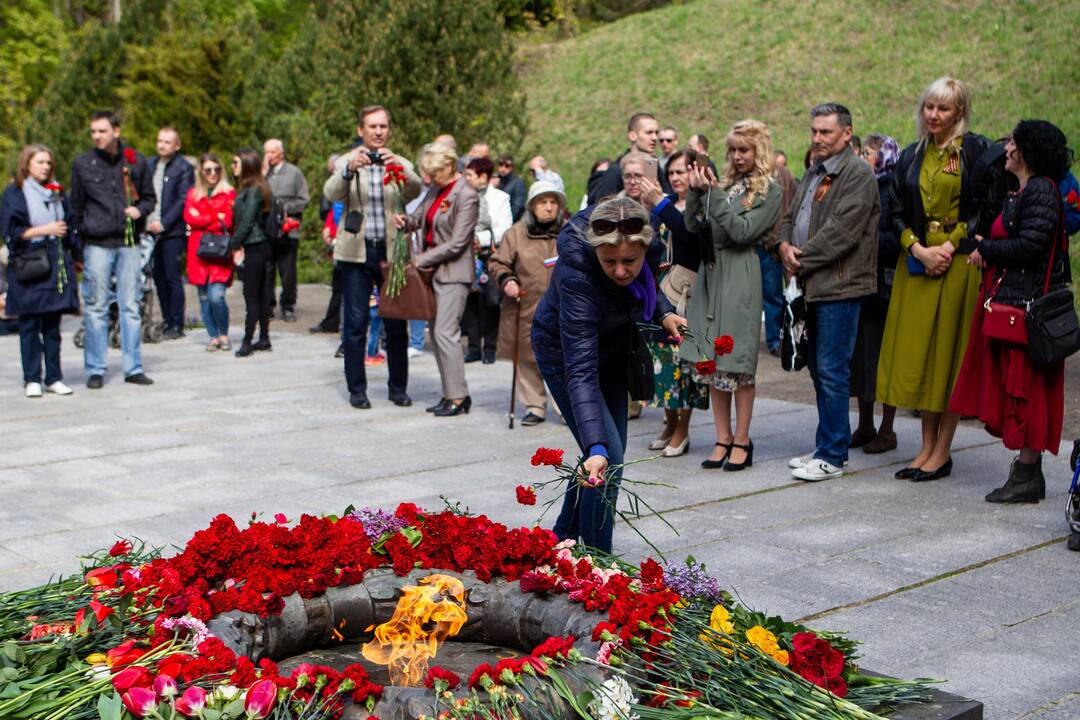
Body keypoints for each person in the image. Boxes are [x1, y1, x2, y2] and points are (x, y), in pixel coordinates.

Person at [531, 196, 685, 553]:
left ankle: (561, 539)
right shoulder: (578, 278)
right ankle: (596, 559)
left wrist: (663, 312)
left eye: (628, 260)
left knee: (603, 459)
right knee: (607, 458)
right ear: (594, 249)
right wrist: (595, 445)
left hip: (613, 348)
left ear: (645, 246)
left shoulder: (644, 248)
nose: (619, 271)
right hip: (566, 355)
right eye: (609, 261)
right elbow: (580, 371)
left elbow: (644, 279)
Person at [951, 120, 1073, 505]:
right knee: (1020, 389)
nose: (1005, 148)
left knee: (1026, 391)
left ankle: (1026, 474)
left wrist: (987, 250)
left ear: (1027, 151)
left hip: (1025, 309)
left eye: (1013, 143)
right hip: (1014, 305)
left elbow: (1031, 246)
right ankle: (1025, 474)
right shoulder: (1027, 190)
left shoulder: (1040, 190)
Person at [876, 77, 990, 482]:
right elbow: (893, 212)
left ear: (960, 112)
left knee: (947, 357)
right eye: (929, 107)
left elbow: (983, 208)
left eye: (943, 109)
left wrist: (950, 246)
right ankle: (925, 447)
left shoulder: (974, 151)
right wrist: (917, 248)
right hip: (919, 265)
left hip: (957, 266)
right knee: (920, 357)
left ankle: (942, 451)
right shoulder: (911, 154)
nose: (934, 115)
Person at [775, 103, 880, 481]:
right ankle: (827, 445)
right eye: (814, 131)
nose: (817, 139)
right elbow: (789, 217)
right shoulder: (814, 171)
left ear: (847, 133)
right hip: (811, 284)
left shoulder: (858, 174)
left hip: (840, 286)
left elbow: (843, 233)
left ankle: (834, 455)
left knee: (833, 370)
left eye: (826, 132)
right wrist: (784, 246)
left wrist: (798, 258)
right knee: (819, 369)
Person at [680, 121, 783, 470]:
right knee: (712, 360)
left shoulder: (770, 189)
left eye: (745, 150)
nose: (738, 157)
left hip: (740, 274)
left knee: (737, 363)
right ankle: (722, 437)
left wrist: (714, 194)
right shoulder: (727, 184)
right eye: (734, 150)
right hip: (712, 273)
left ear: (759, 151)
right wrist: (697, 192)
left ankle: (742, 439)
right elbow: (694, 226)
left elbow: (742, 231)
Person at [324, 105, 422, 409]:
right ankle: (357, 389)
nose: (378, 132)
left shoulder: (399, 162)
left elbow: (416, 189)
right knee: (355, 322)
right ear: (361, 131)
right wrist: (349, 170)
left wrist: (402, 169)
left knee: (395, 321)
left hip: (392, 253)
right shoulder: (347, 161)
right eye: (372, 127)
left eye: (383, 126)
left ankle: (398, 388)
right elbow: (331, 193)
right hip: (357, 253)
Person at [69, 110, 155, 389]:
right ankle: (95, 367)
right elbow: (76, 207)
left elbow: (150, 198)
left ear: (116, 131)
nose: (97, 136)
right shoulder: (83, 164)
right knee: (96, 307)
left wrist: (139, 210)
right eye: (93, 131)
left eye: (102, 131)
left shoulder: (136, 160)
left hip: (129, 243)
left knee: (131, 306)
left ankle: (133, 367)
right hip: (97, 244)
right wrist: (78, 247)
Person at [393, 142, 479, 416]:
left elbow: (457, 243)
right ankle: (449, 393)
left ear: (450, 166)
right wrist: (407, 221)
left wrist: (419, 261)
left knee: (445, 333)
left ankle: (458, 396)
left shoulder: (466, 195)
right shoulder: (436, 189)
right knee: (437, 333)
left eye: (435, 172)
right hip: (433, 272)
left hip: (454, 272)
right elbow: (420, 217)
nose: (430, 178)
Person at [636, 150, 710, 454]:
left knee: (684, 361)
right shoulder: (658, 206)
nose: (678, 177)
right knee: (660, 362)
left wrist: (662, 206)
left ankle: (683, 428)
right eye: (674, 172)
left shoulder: (701, 206)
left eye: (684, 171)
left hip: (689, 292)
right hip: (659, 289)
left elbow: (691, 240)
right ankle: (669, 421)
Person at [1, 145, 80, 397]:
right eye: (39, 162)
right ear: (27, 164)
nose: (45, 167)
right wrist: (45, 229)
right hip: (30, 265)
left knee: (52, 326)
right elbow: (11, 233)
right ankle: (32, 377)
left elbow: (70, 224)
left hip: (55, 265)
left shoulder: (56, 192)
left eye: (48, 162)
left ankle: (54, 376)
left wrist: (77, 255)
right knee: (29, 326)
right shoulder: (16, 192)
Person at [489, 180, 568, 426]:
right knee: (526, 355)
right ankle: (535, 406)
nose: (548, 208)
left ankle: (566, 407)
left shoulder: (569, 231)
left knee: (564, 356)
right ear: (532, 206)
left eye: (553, 202)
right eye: (543, 202)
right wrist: (508, 281)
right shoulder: (516, 233)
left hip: (562, 306)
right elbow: (497, 262)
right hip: (525, 304)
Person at [850, 135, 902, 453]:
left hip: (885, 288)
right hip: (861, 287)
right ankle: (865, 424)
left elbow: (895, 237)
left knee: (884, 359)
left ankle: (887, 428)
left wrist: (864, 240)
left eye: (868, 153)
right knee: (860, 358)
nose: (864, 158)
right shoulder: (860, 186)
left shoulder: (891, 190)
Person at [462, 157, 513, 364]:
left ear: (482, 176)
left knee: (491, 301)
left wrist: (479, 239)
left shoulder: (500, 198)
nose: (466, 179)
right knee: (470, 301)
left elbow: (505, 228)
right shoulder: (463, 195)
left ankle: (491, 347)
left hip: (490, 255)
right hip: (466, 254)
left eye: (469, 175)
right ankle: (473, 347)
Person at [183, 153, 236, 352]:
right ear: (201, 172)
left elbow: (228, 221)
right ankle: (213, 336)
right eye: (208, 170)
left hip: (220, 252)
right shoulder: (192, 193)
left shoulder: (229, 192)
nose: (213, 174)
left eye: (217, 169)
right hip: (198, 252)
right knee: (204, 297)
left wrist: (204, 215)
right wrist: (216, 215)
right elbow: (189, 218)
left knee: (217, 296)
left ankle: (224, 333)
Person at [146, 127, 194, 339]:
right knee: (158, 277)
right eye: (160, 141)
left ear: (177, 145)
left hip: (172, 232)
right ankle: (167, 319)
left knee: (172, 276)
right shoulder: (150, 165)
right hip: (149, 230)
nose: (162, 145)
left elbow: (183, 199)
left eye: (167, 142)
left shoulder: (183, 168)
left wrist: (164, 223)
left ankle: (177, 323)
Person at [230, 149, 275, 357]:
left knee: (253, 296)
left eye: (236, 163)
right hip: (256, 245)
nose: (233, 166)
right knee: (261, 295)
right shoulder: (251, 189)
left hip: (256, 246)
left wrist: (232, 244)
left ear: (247, 165)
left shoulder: (254, 190)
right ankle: (263, 337)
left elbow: (247, 221)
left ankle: (248, 341)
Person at [263, 138, 309, 322]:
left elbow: (304, 199)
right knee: (266, 270)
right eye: (266, 152)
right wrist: (262, 174)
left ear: (281, 153)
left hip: (288, 228)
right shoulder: (262, 174)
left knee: (288, 271)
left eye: (272, 152)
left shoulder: (294, 173)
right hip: (266, 229)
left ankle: (288, 305)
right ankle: (267, 305)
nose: (268, 156)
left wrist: (283, 208)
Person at [760, 159, 797, 356]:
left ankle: (776, 340)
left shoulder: (782, 174)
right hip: (756, 244)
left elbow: (790, 206)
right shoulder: (744, 173)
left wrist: (782, 238)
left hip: (773, 245)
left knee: (773, 295)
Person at [587, 112, 659, 205]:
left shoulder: (653, 166)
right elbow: (601, 209)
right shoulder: (615, 171)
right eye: (649, 132)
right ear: (632, 135)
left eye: (656, 133)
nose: (655, 137)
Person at [496, 154, 527, 222]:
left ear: (512, 167)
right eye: (501, 164)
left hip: (510, 222)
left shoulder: (518, 183)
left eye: (507, 166)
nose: (503, 168)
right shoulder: (495, 181)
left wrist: (508, 222)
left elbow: (517, 207)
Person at [658, 126, 679, 194]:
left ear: (676, 141)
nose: (664, 143)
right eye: (661, 140)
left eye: (668, 140)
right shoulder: (656, 160)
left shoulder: (682, 160)